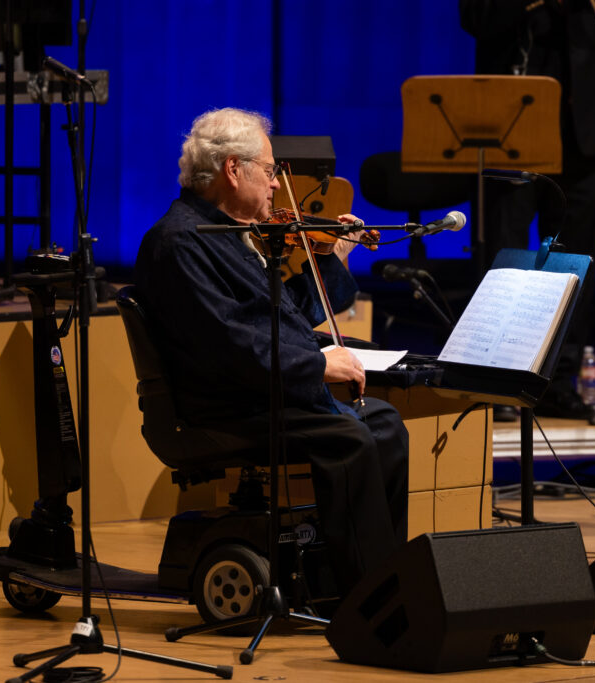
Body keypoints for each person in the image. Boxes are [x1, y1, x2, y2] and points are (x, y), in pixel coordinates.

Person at [134, 108, 408, 596]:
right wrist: (320, 364)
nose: (278, 185)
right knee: (348, 436)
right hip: (220, 406)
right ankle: (364, 595)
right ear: (233, 170)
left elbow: (284, 317)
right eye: (269, 170)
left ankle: (379, 576)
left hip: (253, 391)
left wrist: (333, 259)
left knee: (384, 425)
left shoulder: (227, 235)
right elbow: (232, 344)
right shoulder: (181, 242)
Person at [459, 0, 595, 420]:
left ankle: (560, 380)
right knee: (503, 256)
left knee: (574, 263)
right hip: (511, 125)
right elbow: (477, 18)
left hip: (585, 133)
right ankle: (499, 379)